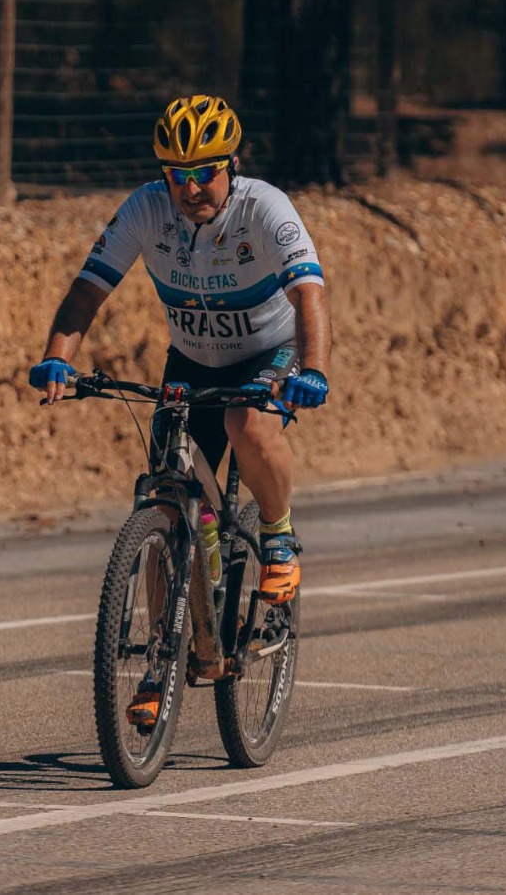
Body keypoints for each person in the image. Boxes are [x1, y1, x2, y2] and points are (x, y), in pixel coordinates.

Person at [28, 94, 332, 726]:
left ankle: (278, 541)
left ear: (232, 165)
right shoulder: (146, 208)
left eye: (205, 172)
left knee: (246, 424)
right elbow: (90, 286)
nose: (191, 187)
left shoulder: (265, 208)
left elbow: (309, 292)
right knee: (166, 504)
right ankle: (163, 668)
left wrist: (313, 368)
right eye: (178, 175)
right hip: (191, 361)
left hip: (265, 354)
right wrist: (58, 356)